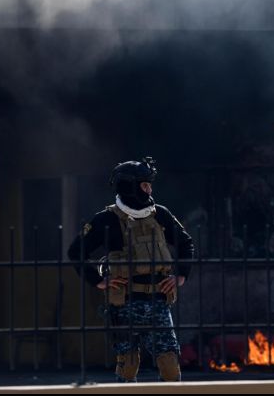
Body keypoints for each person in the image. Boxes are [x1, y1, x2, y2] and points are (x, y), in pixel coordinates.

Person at [68, 157, 195, 382]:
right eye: (145, 185)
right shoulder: (106, 219)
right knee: (127, 367)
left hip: (158, 301)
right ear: (130, 187)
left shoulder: (160, 214)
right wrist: (98, 280)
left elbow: (185, 243)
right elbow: (76, 251)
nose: (150, 190)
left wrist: (181, 276)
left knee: (170, 367)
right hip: (124, 302)